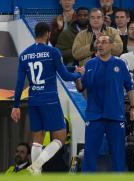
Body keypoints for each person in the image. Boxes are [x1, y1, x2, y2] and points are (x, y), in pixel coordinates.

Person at [11, 22, 81, 175]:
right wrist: (78, 73)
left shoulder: (24, 55)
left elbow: (19, 83)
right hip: (49, 99)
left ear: (36, 34)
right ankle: (37, 165)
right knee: (60, 138)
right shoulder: (53, 52)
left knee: (38, 137)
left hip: (33, 99)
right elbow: (65, 75)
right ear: (48, 33)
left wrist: (15, 106)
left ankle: (37, 175)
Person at [75, 35, 134, 172]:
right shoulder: (90, 64)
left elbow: (129, 87)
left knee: (118, 154)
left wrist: (132, 108)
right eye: (98, 42)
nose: (100, 45)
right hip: (94, 116)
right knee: (90, 153)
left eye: (104, 42)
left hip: (115, 116)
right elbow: (80, 88)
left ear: (111, 45)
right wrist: (77, 77)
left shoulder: (120, 64)